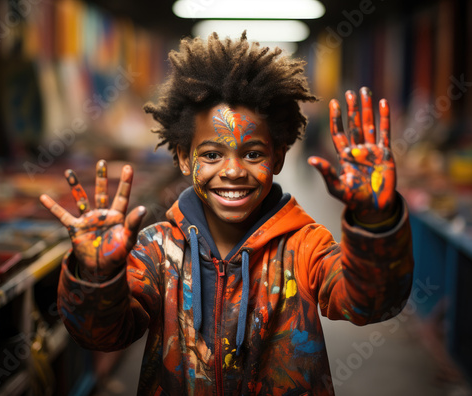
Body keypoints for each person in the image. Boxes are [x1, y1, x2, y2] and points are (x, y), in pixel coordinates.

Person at [39, 32, 414, 396]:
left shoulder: (305, 246)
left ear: (279, 156)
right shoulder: (157, 251)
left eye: (253, 153)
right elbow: (100, 334)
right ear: (185, 158)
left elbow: (373, 302)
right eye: (212, 155)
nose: (233, 170)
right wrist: (96, 276)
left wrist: (376, 223)